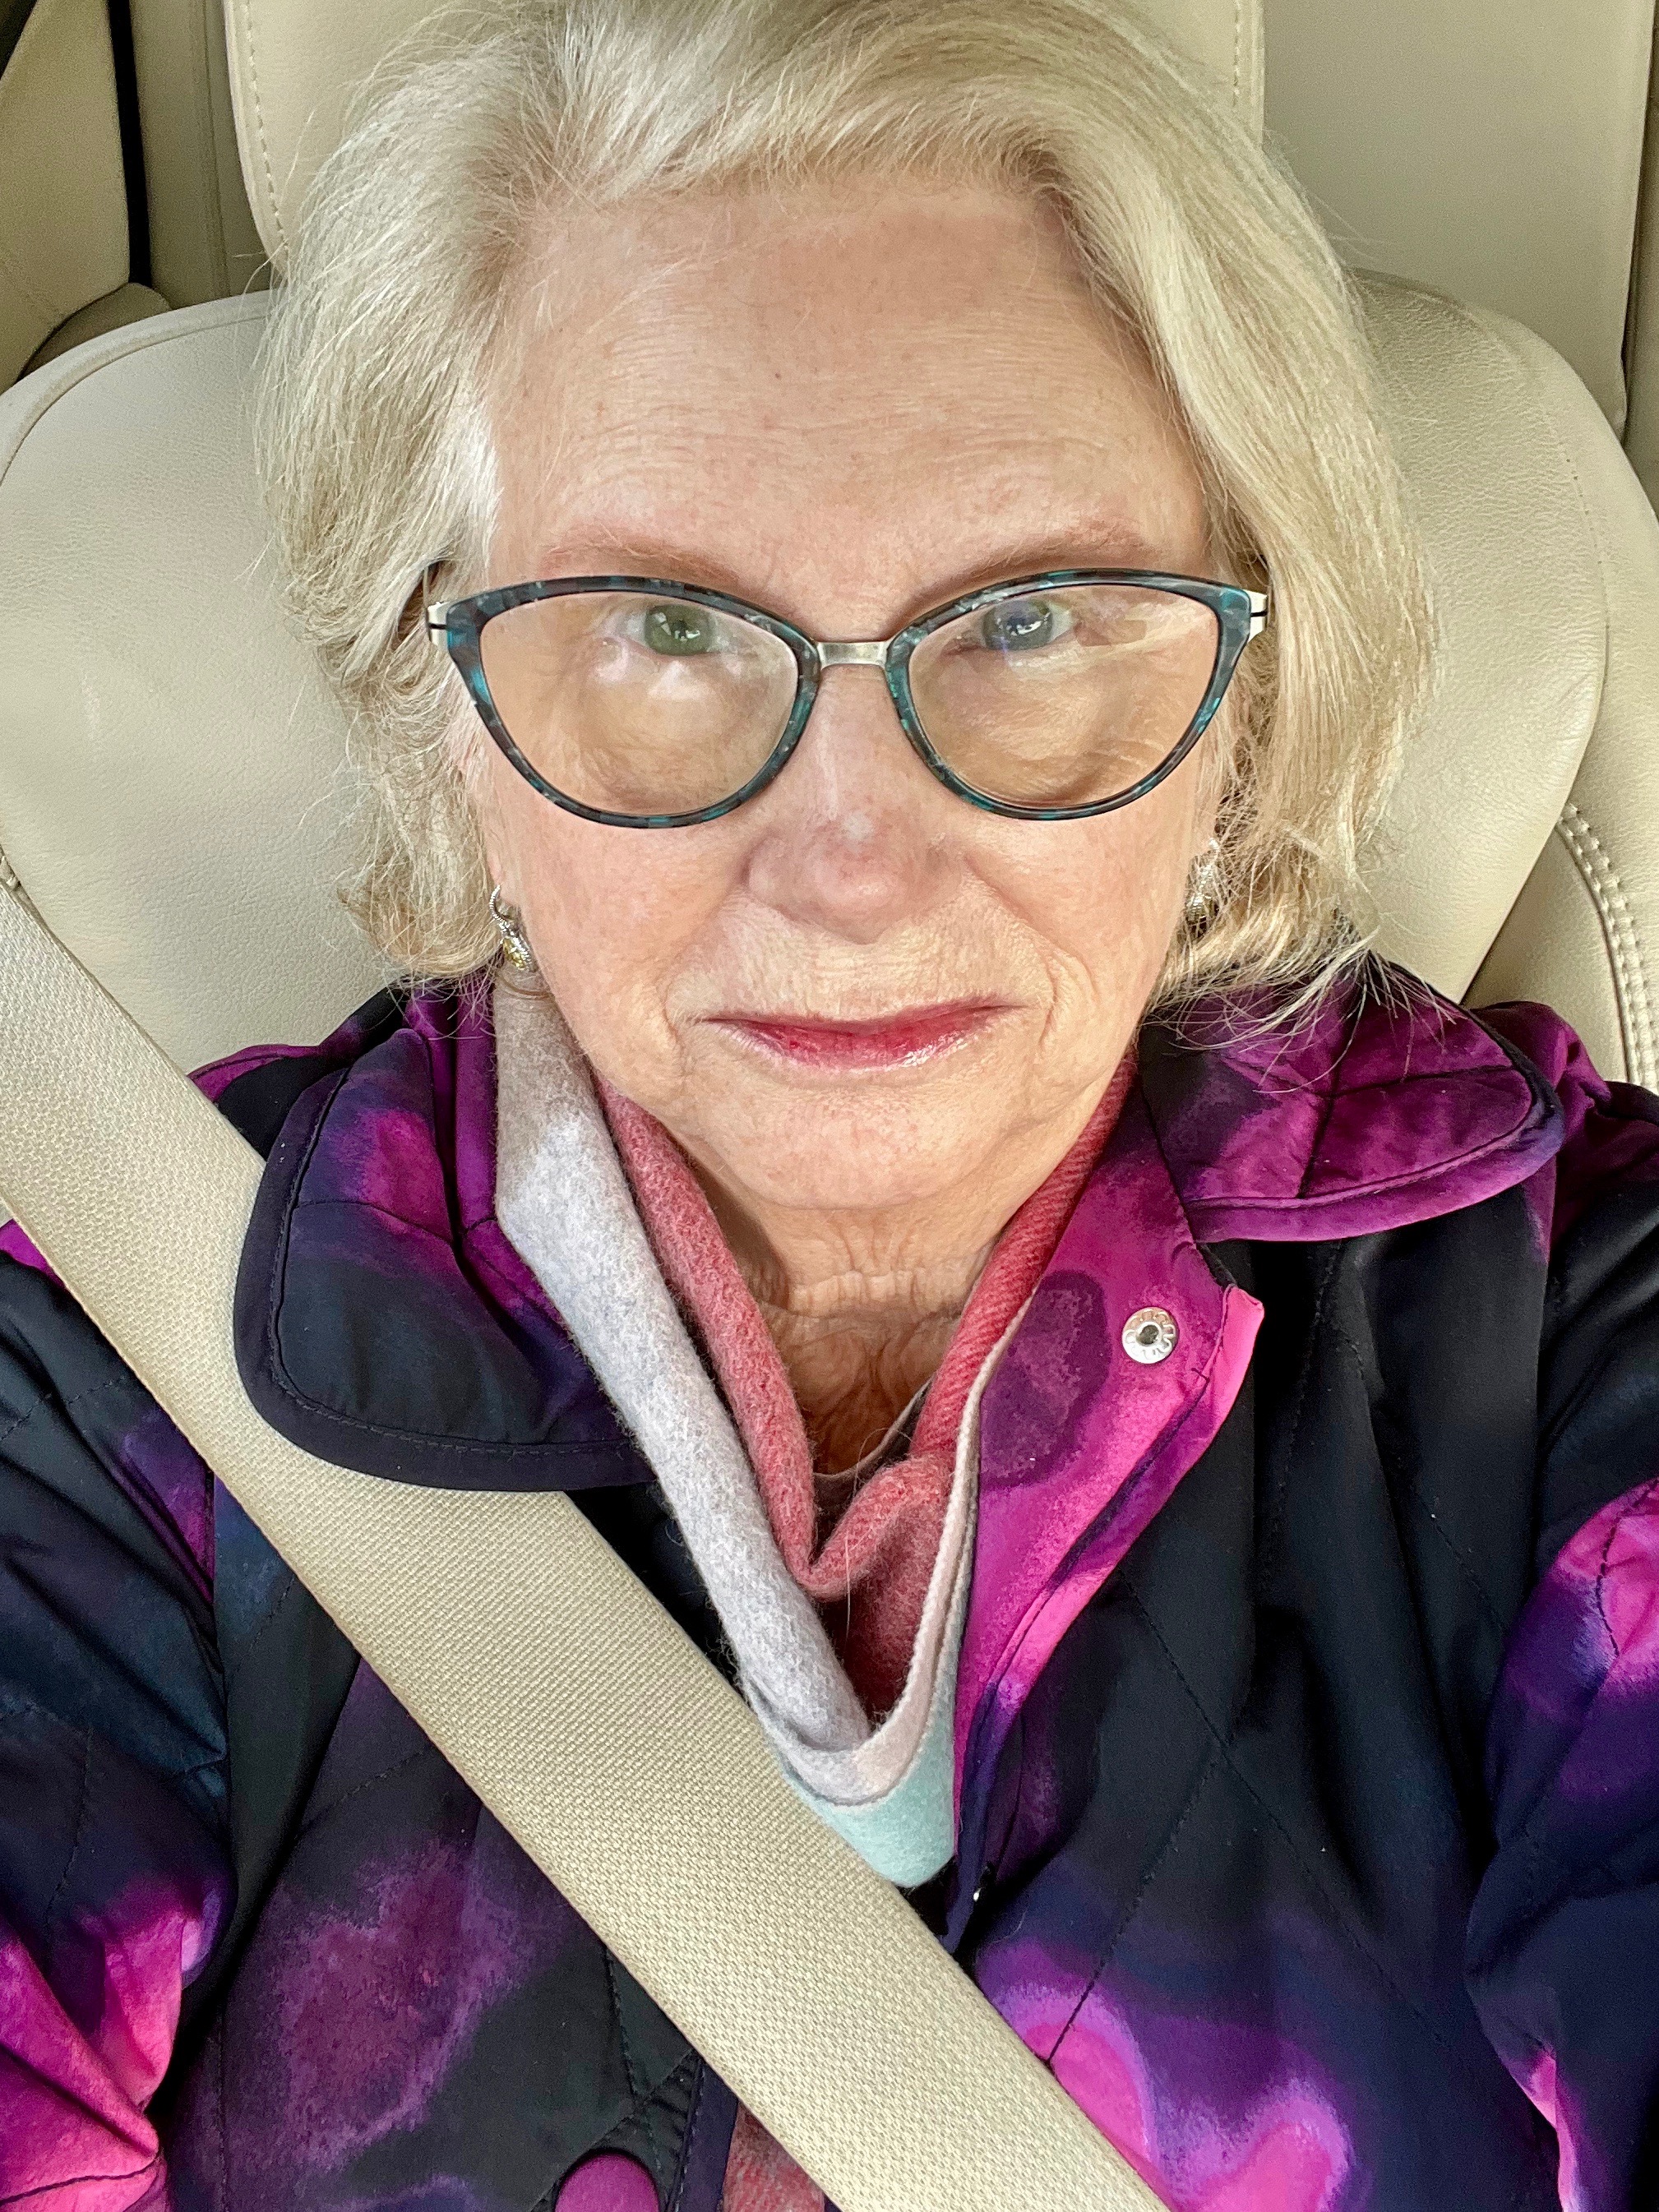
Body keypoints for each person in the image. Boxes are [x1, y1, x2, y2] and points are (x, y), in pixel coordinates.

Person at [3, 1, 1657, 2206]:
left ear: (1241, 707)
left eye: (1034, 619)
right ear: (445, 708)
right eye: (665, 631)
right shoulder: (114, 1367)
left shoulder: (1575, 1322)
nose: (854, 865)